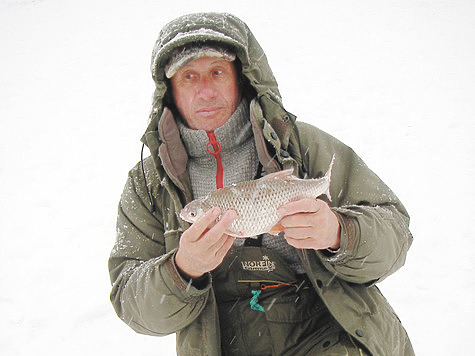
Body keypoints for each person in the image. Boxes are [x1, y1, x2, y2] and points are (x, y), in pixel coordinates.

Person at [109, 12, 414, 356]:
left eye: (217, 72)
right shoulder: (148, 184)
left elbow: (396, 233)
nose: (206, 91)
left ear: (241, 76)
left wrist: (339, 232)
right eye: (189, 76)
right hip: (223, 343)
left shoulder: (304, 145)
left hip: (332, 332)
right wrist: (183, 269)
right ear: (170, 90)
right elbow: (131, 301)